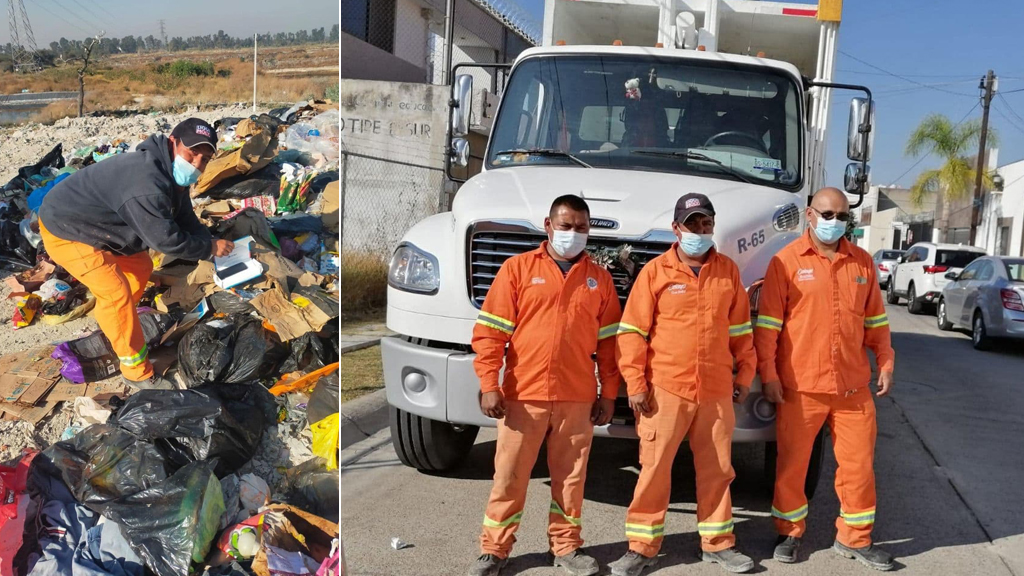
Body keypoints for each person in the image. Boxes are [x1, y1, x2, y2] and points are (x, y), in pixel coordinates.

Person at [468, 195, 622, 576]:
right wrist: (490, 384)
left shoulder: (599, 280)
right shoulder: (517, 270)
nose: (573, 234)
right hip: (523, 396)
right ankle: (495, 551)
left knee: (571, 480)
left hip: (577, 398)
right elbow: (490, 333)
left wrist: (609, 394)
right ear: (548, 225)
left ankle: (567, 547)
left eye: (581, 228)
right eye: (566, 226)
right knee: (509, 477)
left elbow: (610, 345)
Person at [610, 193, 756, 576]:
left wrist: (744, 375)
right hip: (666, 391)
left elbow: (741, 332)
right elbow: (631, 333)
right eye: (693, 224)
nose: (700, 230)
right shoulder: (655, 272)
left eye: (706, 223)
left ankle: (718, 543)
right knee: (655, 469)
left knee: (718, 471)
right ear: (677, 229)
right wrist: (636, 385)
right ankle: (642, 547)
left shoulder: (728, 273)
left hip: (715, 391)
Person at [754, 187, 895, 571]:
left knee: (859, 468)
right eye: (827, 214)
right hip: (801, 386)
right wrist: (768, 374)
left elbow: (876, 322)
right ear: (809, 214)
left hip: (852, 388)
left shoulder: (863, 263)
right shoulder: (785, 262)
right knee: (792, 466)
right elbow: (767, 328)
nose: (834, 222)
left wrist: (885, 360)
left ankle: (855, 538)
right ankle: (788, 532)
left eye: (841, 216)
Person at [39, 118, 233, 390]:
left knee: (140, 268)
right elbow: (166, 240)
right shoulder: (147, 182)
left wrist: (209, 242)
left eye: (205, 158)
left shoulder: (168, 170)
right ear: (173, 142)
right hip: (66, 229)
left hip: (98, 225)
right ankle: (135, 371)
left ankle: (116, 324)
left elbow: (185, 216)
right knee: (115, 291)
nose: (197, 165)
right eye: (192, 154)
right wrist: (209, 248)